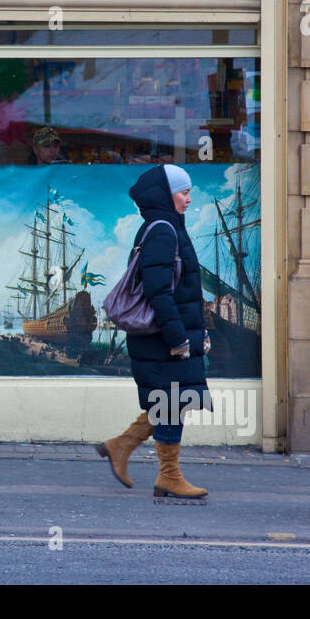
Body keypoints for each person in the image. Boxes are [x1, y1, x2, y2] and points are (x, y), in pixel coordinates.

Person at [96, 163, 212, 499]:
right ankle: (169, 476)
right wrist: (178, 339)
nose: (189, 199)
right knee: (174, 401)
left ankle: (122, 445)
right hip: (164, 339)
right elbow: (158, 292)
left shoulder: (166, 226)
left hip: (166, 335)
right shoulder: (164, 231)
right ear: (166, 194)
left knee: (171, 400)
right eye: (183, 192)